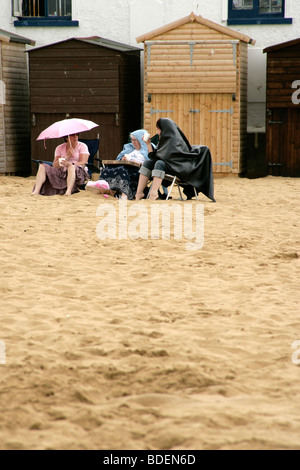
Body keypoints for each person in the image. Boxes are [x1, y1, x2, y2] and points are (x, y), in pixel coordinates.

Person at [135, 118, 215, 202]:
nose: (156, 129)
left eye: (158, 128)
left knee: (159, 163)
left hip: (179, 168)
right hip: (169, 166)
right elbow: (156, 157)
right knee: (148, 163)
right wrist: (148, 144)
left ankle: (153, 193)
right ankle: (139, 193)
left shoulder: (174, 140)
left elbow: (161, 158)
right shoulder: (164, 139)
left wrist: (149, 146)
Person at [98, 129, 150, 200]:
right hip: (127, 166)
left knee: (122, 170)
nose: (133, 142)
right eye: (132, 140)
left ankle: (124, 194)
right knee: (108, 168)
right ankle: (105, 190)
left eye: (135, 140)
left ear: (140, 140)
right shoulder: (130, 149)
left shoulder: (148, 150)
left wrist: (137, 162)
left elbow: (150, 163)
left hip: (138, 170)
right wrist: (123, 159)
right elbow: (120, 158)